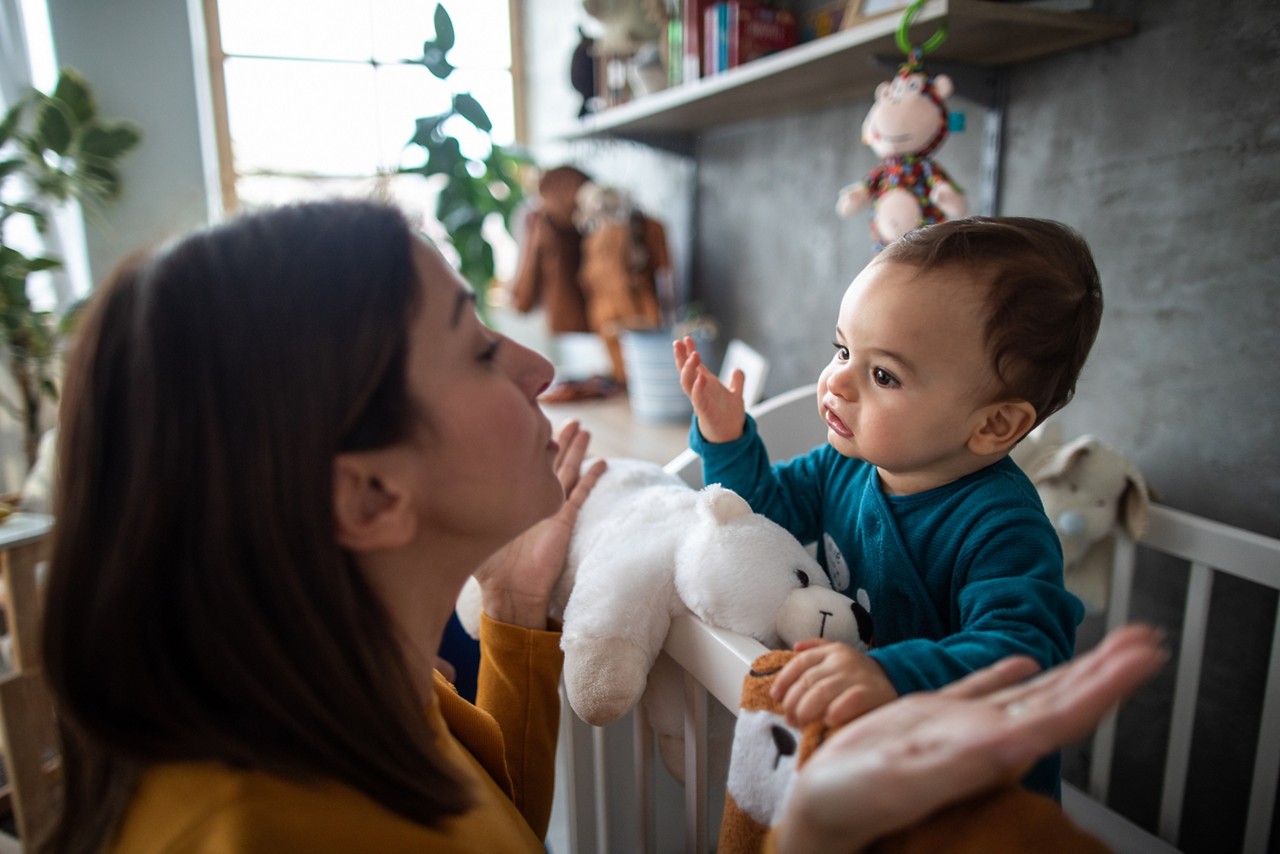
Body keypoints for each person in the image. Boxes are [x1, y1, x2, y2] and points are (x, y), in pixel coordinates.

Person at [38, 200, 1151, 853]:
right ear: (370, 495)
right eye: (479, 345)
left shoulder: (374, 695)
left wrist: (518, 617)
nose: (538, 365)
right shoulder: (266, 825)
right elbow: (754, 506)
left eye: (885, 370)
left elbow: (495, 826)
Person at [674, 216, 1104, 798]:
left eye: (882, 374)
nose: (837, 383)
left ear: (995, 423)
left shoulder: (1002, 526)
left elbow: (1025, 655)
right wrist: (728, 441)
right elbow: (760, 516)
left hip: (975, 799)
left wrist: (891, 675)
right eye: (842, 349)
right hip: (873, 771)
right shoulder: (844, 466)